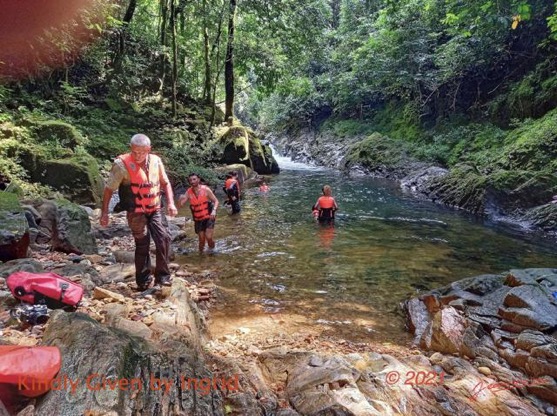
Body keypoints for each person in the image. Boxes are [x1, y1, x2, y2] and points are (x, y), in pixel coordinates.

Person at [100, 134, 178, 291]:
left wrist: (170, 203)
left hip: (155, 207)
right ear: (131, 148)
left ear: (148, 149)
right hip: (136, 211)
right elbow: (109, 190)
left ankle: (162, 277)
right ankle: (143, 280)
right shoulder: (121, 165)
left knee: (163, 239)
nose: (137, 156)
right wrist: (104, 213)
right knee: (142, 244)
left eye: (141, 152)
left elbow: (165, 183)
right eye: (134, 152)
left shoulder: (156, 161)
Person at [179, 173, 219, 253]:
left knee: (209, 237)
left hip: (209, 216)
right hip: (198, 219)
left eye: (194, 179)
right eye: (190, 180)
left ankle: (213, 251)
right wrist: (180, 199)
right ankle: (201, 256)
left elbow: (216, 201)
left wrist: (214, 210)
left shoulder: (206, 189)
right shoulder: (188, 192)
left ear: (198, 180)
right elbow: (180, 205)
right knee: (201, 241)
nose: (192, 181)